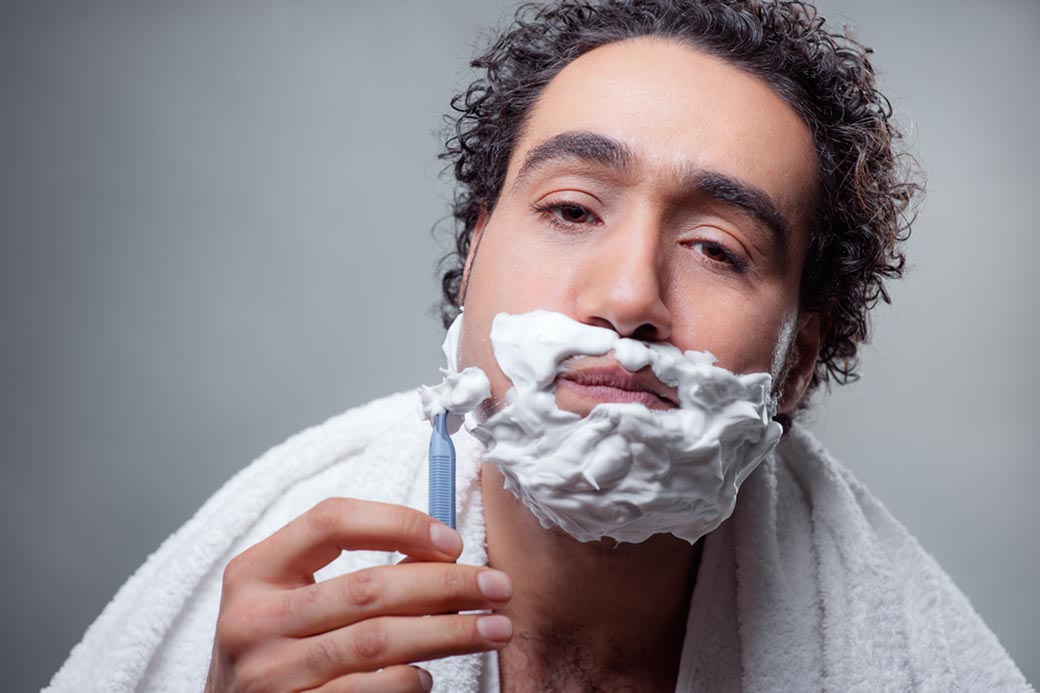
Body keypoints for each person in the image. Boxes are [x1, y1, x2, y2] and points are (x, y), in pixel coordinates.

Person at [47, 1, 1031, 691]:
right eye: (569, 209)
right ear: (472, 262)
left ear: (797, 362)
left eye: (716, 249)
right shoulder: (288, 590)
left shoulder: (889, 644)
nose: (626, 297)